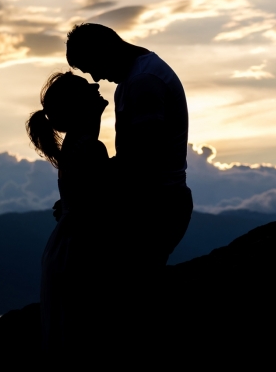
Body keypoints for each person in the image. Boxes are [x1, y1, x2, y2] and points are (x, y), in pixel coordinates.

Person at [65, 23, 192, 274]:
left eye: (93, 68)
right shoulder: (134, 79)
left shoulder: (144, 81)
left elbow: (142, 159)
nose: (96, 78)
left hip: (155, 207)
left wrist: (84, 195)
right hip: (151, 203)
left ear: (105, 50)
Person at [26, 71, 115, 353]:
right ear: (79, 106)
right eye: (87, 88)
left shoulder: (75, 147)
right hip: (81, 252)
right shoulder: (89, 149)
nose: (96, 86)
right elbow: (105, 207)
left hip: (66, 249)